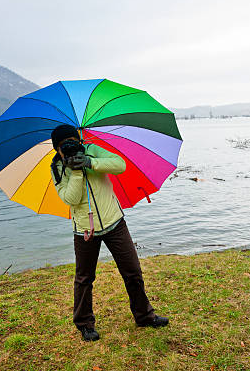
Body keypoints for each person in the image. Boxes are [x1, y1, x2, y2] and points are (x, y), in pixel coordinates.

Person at [50, 124, 168, 342]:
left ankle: (144, 316)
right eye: (63, 146)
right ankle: (85, 324)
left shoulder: (93, 150)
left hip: (114, 222)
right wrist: (76, 172)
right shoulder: (57, 168)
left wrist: (89, 162)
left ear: (79, 141)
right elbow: (71, 199)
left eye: (72, 142)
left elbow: (119, 165)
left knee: (132, 271)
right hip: (85, 229)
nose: (69, 147)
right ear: (56, 149)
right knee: (84, 278)